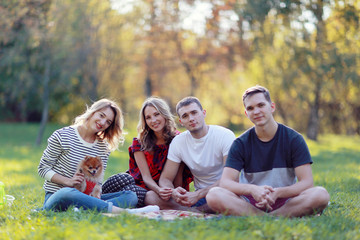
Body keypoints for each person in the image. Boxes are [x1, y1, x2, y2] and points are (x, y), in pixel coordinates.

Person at [206, 85, 330, 217]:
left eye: (261, 105)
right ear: (246, 114)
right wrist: (253, 190)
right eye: (250, 108)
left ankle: (270, 217)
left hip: (287, 200)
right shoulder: (240, 143)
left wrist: (277, 193)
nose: (256, 111)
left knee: (321, 194)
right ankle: (268, 217)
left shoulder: (294, 139)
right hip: (250, 202)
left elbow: (307, 182)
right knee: (214, 195)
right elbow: (226, 182)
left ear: (272, 107)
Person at [38, 99, 138, 213]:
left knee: (131, 196)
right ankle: (119, 211)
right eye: (101, 115)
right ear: (92, 112)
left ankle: (86, 208)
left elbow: (98, 180)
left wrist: (98, 192)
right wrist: (68, 182)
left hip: (88, 197)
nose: (102, 122)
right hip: (59, 196)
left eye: (108, 122)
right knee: (67, 192)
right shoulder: (62, 135)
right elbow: (43, 168)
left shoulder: (103, 147)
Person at [102, 97, 192, 207]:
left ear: (164, 114)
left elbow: (179, 175)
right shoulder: (140, 142)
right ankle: (93, 196)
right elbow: (146, 177)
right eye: (148, 117)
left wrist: (171, 192)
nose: (153, 120)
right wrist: (158, 190)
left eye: (156, 114)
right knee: (124, 179)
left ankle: (99, 204)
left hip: (157, 191)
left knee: (132, 192)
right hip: (144, 184)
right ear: (145, 121)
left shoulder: (178, 140)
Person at [149, 96, 235, 212]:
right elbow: (165, 179)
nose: (191, 118)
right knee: (150, 196)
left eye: (194, 113)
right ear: (181, 122)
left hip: (225, 192)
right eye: (185, 116)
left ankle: (194, 211)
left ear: (203, 113)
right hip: (199, 197)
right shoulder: (179, 141)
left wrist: (198, 194)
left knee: (216, 197)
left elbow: (230, 179)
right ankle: (195, 211)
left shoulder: (224, 135)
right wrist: (173, 192)